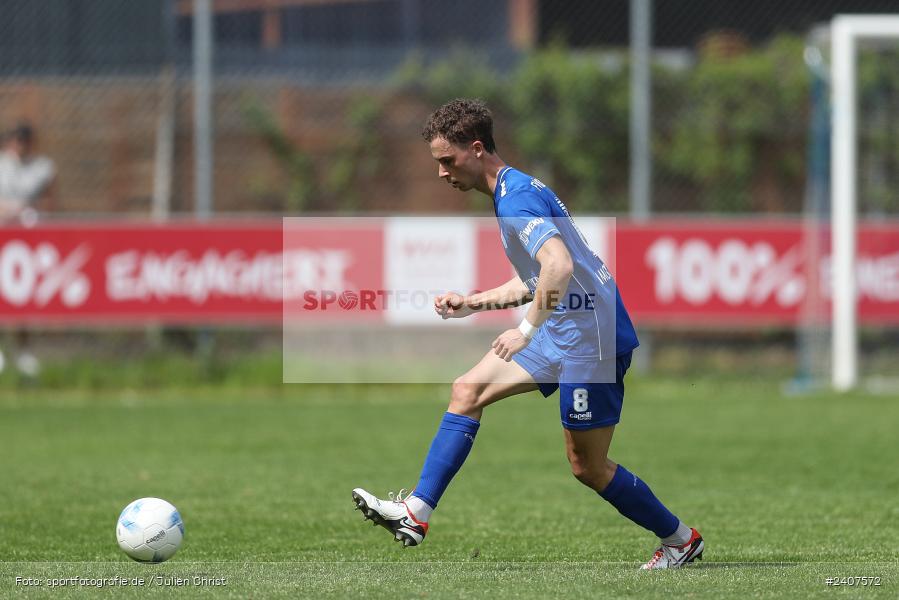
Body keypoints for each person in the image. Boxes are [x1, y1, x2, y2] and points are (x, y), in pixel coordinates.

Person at [352, 99, 703, 569]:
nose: (440, 172)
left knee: (589, 468)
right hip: (563, 330)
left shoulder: (516, 198)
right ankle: (416, 512)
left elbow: (559, 265)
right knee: (467, 389)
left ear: (476, 150)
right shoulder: (511, 191)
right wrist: (472, 302)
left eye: (446, 160)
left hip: (591, 342)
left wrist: (524, 329)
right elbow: (538, 278)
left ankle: (681, 539)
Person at [0, 122, 56, 376]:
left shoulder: (41, 167)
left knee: (22, 301)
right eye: (17, 140)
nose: (21, 145)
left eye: (25, 140)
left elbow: (49, 199)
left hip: (28, 243)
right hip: (2, 238)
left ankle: (23, 353)